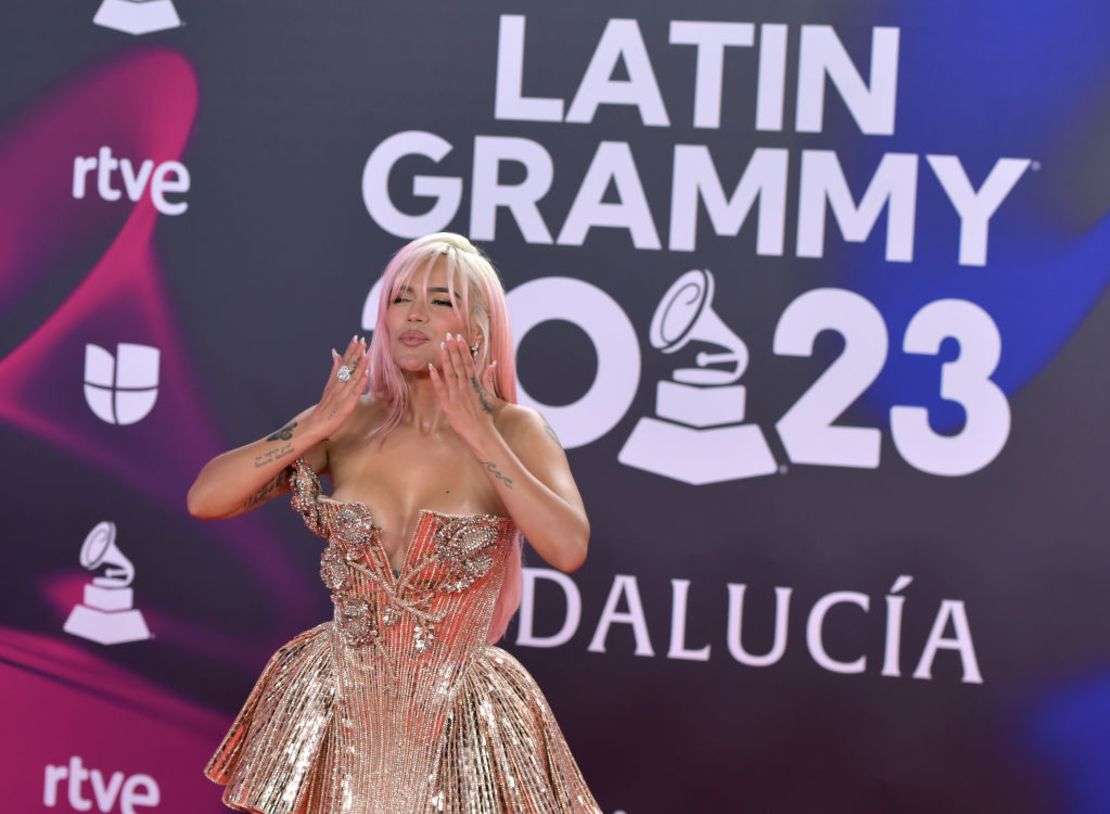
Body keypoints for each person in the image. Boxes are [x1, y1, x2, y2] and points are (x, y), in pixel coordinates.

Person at [188, 233, 601, 814]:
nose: (415, 314)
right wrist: (309, 430)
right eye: (401, 298)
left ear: (479, 329)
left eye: (440, 300)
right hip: (334, 706)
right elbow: (207, 498)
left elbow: (567, 547)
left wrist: (480, 433)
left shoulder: (517, 431)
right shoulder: (347, 425)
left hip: (460, 718)